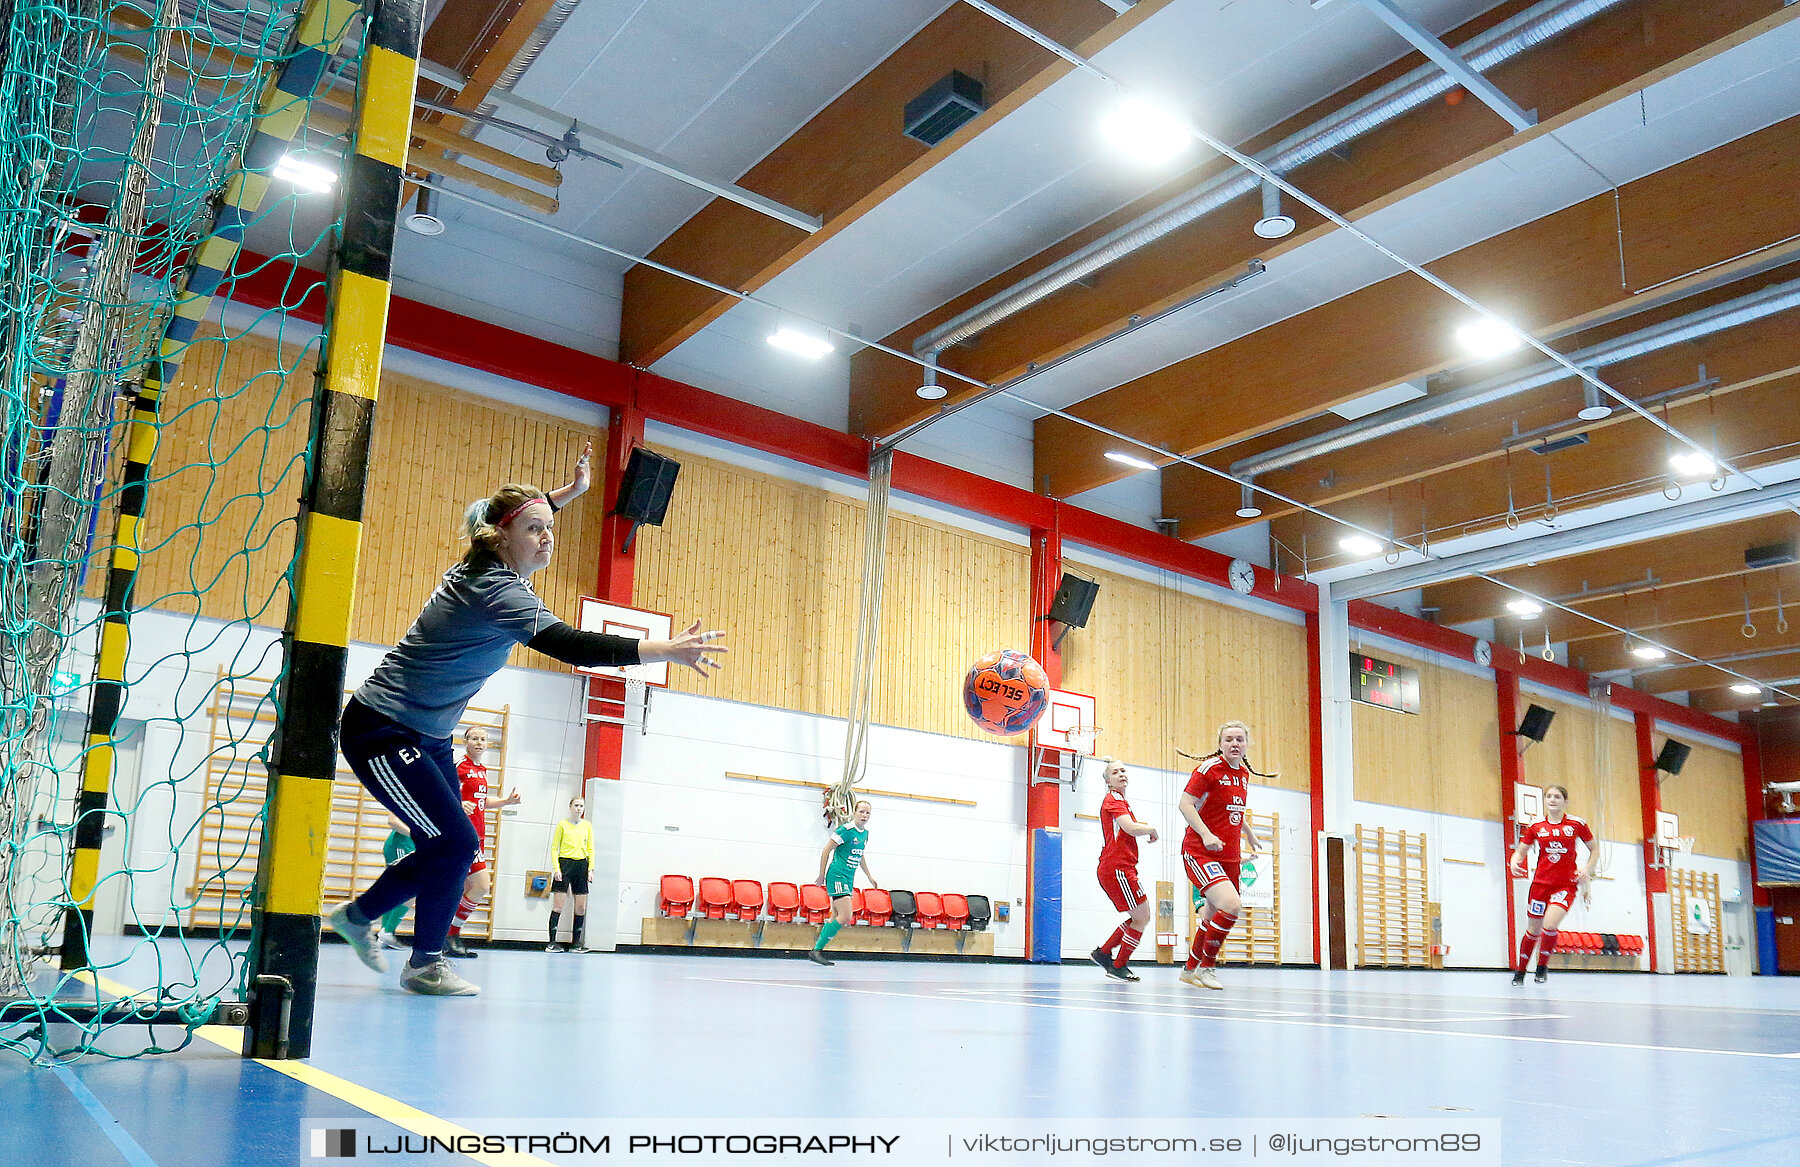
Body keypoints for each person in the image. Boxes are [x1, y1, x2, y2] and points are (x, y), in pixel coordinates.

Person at [323, 464, 728, 996]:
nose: (547, 540)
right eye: (535, 530)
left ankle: (374, 927)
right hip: (386, 729)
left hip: (430, 734)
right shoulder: (496, 591)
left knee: (453, 846)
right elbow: (572, 645)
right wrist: (662, 650)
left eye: (551, 530)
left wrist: (567, 496)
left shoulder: (490, 559)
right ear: (501, 537)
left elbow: (520, 515)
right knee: (454, 843)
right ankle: (412, 955)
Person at [1178, 721, 1259, 990]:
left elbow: (1233, 809)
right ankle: (1207, 967)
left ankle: (1190, 969)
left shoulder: (1244, 775)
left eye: (1239, 739)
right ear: (1220, 744)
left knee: (1212, 915)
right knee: (1231, 905)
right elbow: (1185, 804)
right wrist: (1206, 834)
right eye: (1228, 740)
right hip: (1201, 851)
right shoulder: (1209, 770)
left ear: (1246, 744)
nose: (1234, 744)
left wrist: (1248, 832)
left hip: (1230, 856)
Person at [445, 724, 521, 959]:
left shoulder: (482, 770)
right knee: (481, 885)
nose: (479, 742)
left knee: (465, 890)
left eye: (483, 739)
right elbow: (441, 792)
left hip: (478, 835)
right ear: (465, 742)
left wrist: (505, 802)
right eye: (474, 738)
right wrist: (458, 804)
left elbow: (481, 801)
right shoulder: (458, 766)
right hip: (462, 835)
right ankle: (450, 934)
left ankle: (446, 936)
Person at [1508, 784, 1596, 985]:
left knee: (1549, 925)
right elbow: (1521, 851)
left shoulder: (1576, 824)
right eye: (1549, 796)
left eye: (1557, 796)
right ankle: (1520, 972)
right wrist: (1514, 861)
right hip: (1540, 885)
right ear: (1545, 801)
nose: (1552, 799)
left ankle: (1542, 967)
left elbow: (1594, 850)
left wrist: (1586, 869)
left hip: (1565, 885)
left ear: (1565, 801)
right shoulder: (1536, 826)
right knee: (1533, 929)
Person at [1090, 759, 1157, 981]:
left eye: (1123, 770)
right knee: (1142, 916)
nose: (1121, 774)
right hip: (1117, 867)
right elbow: (1130, 827)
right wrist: (1151, 829)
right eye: (1115, 772)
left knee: (1140, 916)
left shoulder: (1121, 801)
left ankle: (1104, 953)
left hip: (1121, 866)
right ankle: (1117, 965)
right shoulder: (1113, 800)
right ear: (1108, 781)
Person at [809, 800, 877, 966]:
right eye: (861, 812)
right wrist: (821, 875)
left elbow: (859, 855)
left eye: (867, 813)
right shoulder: (846, 830)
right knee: (846, 916)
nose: (864, 816)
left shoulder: (865, 834)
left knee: (835, 915)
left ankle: (817, 950)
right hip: (837, 875)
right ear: (854, 812)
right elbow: (827, 850)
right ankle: (816, 951)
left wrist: (869, 876)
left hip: (848, 878)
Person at [546, 795, 595, 953]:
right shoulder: (562, 825)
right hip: (565, 863)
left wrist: (590, 869)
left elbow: (590, 849)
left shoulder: (587, 826)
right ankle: (552, 943)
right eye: (576, 805)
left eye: (581, 806)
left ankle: (576, 944)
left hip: (581, 865)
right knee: (558, 905)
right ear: (570, 807)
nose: (579, 808)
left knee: (581, 906)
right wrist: (557, 869)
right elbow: (555, 847)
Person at [375, 814, 415, 949]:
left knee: (395, 889)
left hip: (407, 844)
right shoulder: (409, 795)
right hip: (401, 844)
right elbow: (392, 820)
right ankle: (387, 932)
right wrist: (413, 835)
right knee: (411, 888)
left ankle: (385, 933)